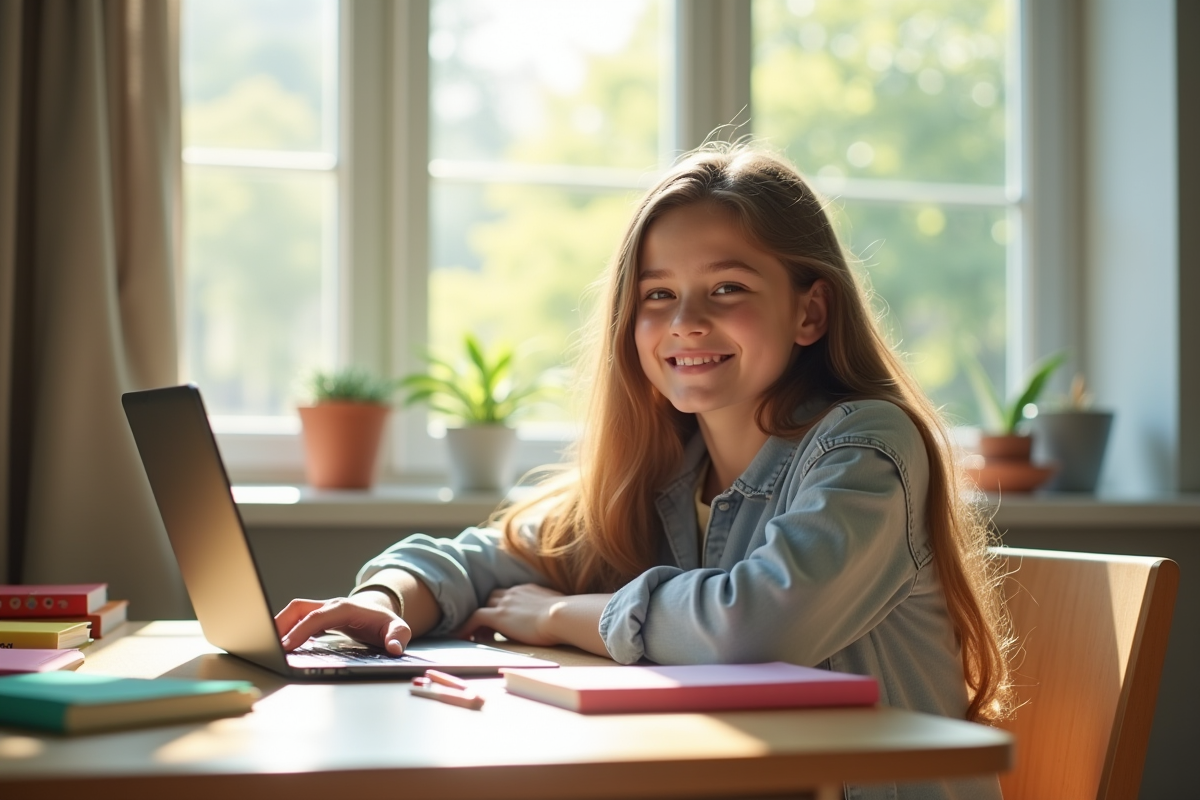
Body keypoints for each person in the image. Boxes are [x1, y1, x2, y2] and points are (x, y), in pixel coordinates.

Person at [276, 144, 1011, 800]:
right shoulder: (664, 472)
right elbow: (485, 558)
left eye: (727, 288)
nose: (686, 320)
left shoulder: (865, 446)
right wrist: (384, 598)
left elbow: (755, 626)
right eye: (658, 295)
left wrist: (561, 614)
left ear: (809, 312)